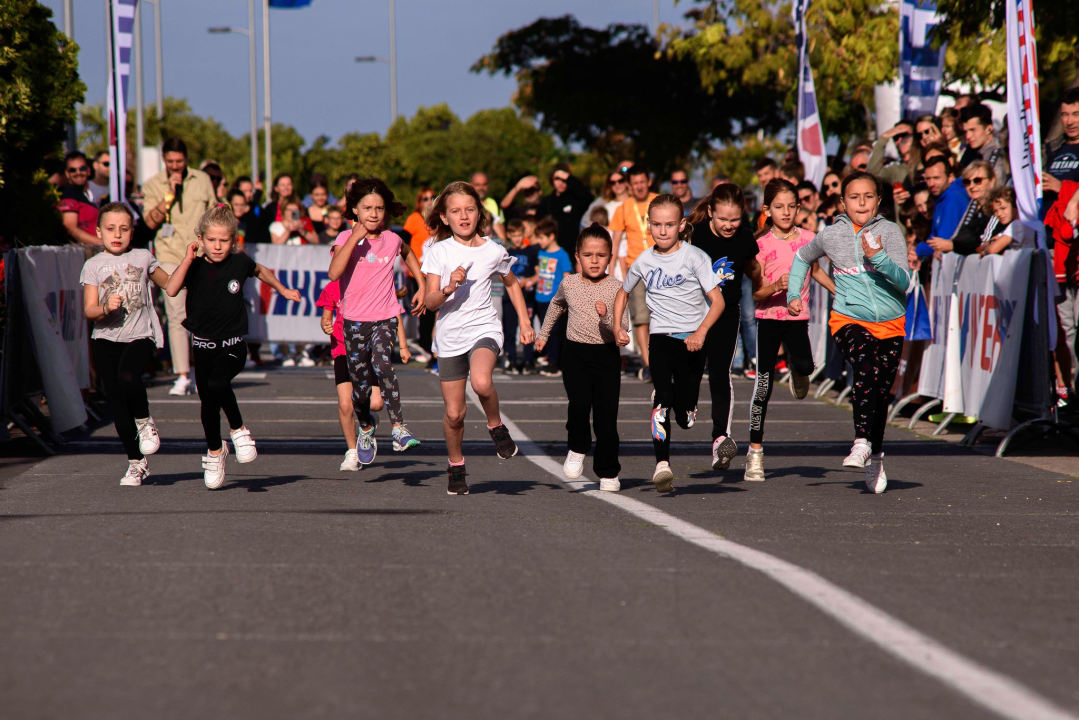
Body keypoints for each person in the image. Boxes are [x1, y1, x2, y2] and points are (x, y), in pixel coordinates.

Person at [787, 171, 911, 494]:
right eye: (854, 197)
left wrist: (879, 258)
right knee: (865, 367)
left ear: (878, 201)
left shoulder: (890, 232)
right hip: (847, 319)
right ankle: (860, 442)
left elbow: (904, 282)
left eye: (868, 197)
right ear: (843, 202)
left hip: (891, 323)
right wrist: (792, 294)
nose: (862, 203)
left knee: (881, 392)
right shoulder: (831, 235)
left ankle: (876, 455)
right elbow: (802, 257)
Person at [164, 205, 302, 489]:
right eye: (211, 240)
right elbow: (171, 289)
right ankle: (216, 452)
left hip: (233, 345)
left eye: (224, 240)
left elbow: (261, 270)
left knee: (218, 382)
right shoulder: (196, 266)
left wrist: (283, 289)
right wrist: (188, 259)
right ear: (200, 239)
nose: (217, 246)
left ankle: (239, 430)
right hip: (202, 347)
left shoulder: (239, 263)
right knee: (208, 405)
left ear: (234, 240)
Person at [421, 181, 536, 495]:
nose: (463, 216)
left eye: (469, 209)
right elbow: (430, 302)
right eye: (455, 211)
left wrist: (525, 322)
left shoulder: (493, 249)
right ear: (444, 217)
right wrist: (447, 288)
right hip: (449, 337)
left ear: (479, 213)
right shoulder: (438, 251)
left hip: (484, 327)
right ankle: (456, 465)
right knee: (454, 414)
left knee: (482, 382)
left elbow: (511, 283)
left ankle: (495, 425)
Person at [613, 194, 725, 493]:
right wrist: (617, 327)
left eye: (670, 225)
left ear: (682, 225)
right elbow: (623, 292)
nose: (662, 231)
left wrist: (700, 332)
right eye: (657, 225)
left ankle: (688, 408)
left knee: (684, 413)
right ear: (649, 225)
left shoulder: (695, 257)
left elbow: (717, 302)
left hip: (692, 340)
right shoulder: (644, 260)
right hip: (660, 337)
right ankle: (662, 465)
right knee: (661, 397)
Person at [328, 177, 425, 467]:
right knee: (360, 391)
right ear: (354, 210)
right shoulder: (345, 239)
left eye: (379, 208)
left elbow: (408, 253)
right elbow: (334, 274)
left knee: (384, 364)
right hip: (354, 322)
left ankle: (399, 428)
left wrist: (420, 283)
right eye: (367, 207)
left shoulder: (392, 240)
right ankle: (366, 428)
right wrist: (355, 239)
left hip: (384, 318)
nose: (373, 213)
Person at [744, 179, 834, 482]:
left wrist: (840, 293)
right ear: (767, 210)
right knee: (763, 388)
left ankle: (798, 371)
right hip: (769, 319)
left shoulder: (809, 238)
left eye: (791, 207)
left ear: (799, 208)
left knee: (807, 365)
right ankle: (755, 453)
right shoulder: (760, 244)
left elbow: (817, 270)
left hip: (797, 319)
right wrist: (775, 286)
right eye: (779, 207)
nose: (785, 212)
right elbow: (756, 294)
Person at [80, 203, 171, 486]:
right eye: (110, 229)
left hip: (140, 335)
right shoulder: (92, 265)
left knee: (129, 376)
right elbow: (89, 310)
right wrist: (106, 307)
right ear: (98, 232)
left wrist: (196, 265)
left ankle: (145, 421)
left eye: (123, 228)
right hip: (106, 339)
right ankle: (136, 464)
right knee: (118, 406)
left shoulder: (143, 257)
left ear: (132, 232)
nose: (116, 234)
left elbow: (170, 282)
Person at [537, 223, 629, 491]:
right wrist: (543, 334)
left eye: (601, 255)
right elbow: (556, 304)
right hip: (575, 353)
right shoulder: (569, 283)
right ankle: (577, 448)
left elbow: (621, 326)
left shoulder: (617, 287)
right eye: (588, 255)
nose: (594, 261)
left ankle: (608, 472)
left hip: (606, 355)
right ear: (577, 256)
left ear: (610, 257)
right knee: (578, 404)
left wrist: (608, 319)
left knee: (605, 417)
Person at [686, 184, 763, 472]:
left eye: (735, 219)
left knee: (720, 374)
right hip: (693, 313)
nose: (729, 225)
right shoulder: (695, 234)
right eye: (723, 219)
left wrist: (762, 282)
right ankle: (686, 405)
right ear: (710, 213)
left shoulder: (744, 237)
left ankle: (720, 439)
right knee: (692, 369)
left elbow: (752, 268)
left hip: (727, 314)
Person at [141, 137, 217, 396]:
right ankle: (182, 374)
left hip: (201, 254)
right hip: (170, 255)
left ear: (186, 160)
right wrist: (168, 197)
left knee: (202, 315)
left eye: (180, 161)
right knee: (175, 313)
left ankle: (201, 369)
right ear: (164, 160)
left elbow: (214, 214)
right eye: (171, 162)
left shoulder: (202, 180)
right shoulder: (153, 185)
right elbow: (150, 223)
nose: (175, 166)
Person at [316, 270, 406, 471]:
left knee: (375, 404)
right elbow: (326, 317)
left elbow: (393, 315)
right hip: (343, 351)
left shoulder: (373, 284)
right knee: (345, 404)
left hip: (367, 350)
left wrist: (405, 346)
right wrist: (326, 325)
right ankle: (351, 451)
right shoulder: (333, 287)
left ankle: (368, 421)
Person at [609, 165, 659, 379]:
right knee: (641, 317)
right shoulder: (624, 208)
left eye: (642, 182)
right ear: (630, 185)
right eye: (635, 183)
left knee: (663, 315)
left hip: (662, 264)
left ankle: (664, 361)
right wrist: (609, 273)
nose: (639, 186)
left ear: (648, 182)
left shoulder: (659, 200)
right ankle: (649, 365)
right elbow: (616, 240)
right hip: (636, 267)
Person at [1044, 88, 1079, 380]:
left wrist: (1062, 189)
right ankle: (1069, 389)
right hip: (1055, 249)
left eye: (1076, 114)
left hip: (1076, 249)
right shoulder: (1053, 149)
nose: (1070, 120)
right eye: (1065, 114)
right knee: (1064, 325)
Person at [928, 160, 998, 256]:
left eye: (977, 180)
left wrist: (953, 246)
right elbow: (963, 236)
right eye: (967, 182)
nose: (972, 186)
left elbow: (982, 242)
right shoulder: (972, 208)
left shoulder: (997, 207)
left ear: (991, 181)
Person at [533, 217, 573, 377]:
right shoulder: (541, 252)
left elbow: (567, 277)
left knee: (555, 332)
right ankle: (548, 356)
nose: (538, 241)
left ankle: (554, 364)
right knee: (545, 330)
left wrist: (565, 300)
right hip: (540, 298)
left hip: (554, 301)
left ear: (551, 236)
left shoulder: (562, 255)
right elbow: (538, 274)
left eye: (541, 237)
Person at [403, 188, 437, 362]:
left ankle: (431, 345)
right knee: (423, 308)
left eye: (432, 197)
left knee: (434, 309)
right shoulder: (414, 219)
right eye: (425, 198)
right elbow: (404, 241)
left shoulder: (438, 219)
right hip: (417, 271)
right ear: (419, 201)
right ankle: (424, 345)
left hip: (435, 271)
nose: (429, 201)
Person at [503, 218, 539, 373]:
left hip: (527, 296)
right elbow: (500, 275)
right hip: (509, 297)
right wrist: (514, 282)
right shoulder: (506, 252)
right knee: (509, 329)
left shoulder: (530, 251)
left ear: (523, 234)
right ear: (509, 235)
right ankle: (511, 359)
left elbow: (538, 274)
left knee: (527, 327)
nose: (517, 238)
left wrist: (528, 281)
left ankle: (528, 361)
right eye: (514, 235)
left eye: (519, 235)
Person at [536, 163, 594, 246]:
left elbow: (589, 197)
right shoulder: (546, 202)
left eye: (564, 180)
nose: (561, 183)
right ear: (552, 180)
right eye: (557, 179)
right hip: (551, 250)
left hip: (572, 249)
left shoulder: (575, 199)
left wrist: (569, 178)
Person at [921, 156, 966, 261]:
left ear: (950, 177)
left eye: (936, 178)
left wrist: (917, 250)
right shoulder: (941, 198)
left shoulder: (953, 199)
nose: (931, 184)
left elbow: (943, 240)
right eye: (928, 179)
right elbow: (934, 237)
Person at [58, 151, 102, 246]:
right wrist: (101, 243)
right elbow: (70, 228)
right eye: (73, 170)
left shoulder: (88, 195)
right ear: (67, 173)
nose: (78, 172)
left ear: (88, 171)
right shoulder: (68, 196)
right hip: (84, 253)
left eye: (82, 168)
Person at [958, 104, 1009, 183]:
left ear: (989, 129)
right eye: (966, 132)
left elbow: (995, 188)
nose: (968, 136)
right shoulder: (970, 151)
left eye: (973, 130)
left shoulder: (997, 154)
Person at [980, 187, 1037, 255]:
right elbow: (983, 246)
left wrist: (985, 252)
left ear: (1015, 205)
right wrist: (991, 242)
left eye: (1003, 208)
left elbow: (992, 250)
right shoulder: (1014, 225)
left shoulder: (1017, 224)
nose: (999, 214)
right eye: (995, 211)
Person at [869, 122, 918, 187]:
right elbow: (874, 173)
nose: (900, 140)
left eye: (904, 135)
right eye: (895, 137)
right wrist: (884, 138)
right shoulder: (898, 170)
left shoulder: (928, 161)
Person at [470, 172, 506, 241]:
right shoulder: (465, 203)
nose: (481, 188)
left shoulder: (494, 203)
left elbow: (502, 237)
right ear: (471, 185)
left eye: (484, 184)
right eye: (478, 185)